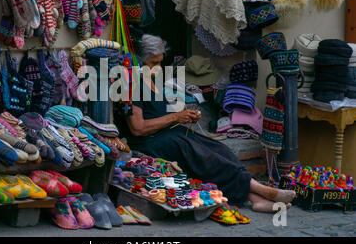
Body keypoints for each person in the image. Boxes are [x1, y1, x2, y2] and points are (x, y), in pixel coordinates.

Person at [124, 34, 296, 212]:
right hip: (151, 142)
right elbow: (138, 128)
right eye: (153, 64)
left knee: (220, 150)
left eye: (160, 63)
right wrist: (175, 117)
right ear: (140, 63)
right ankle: (259, 190)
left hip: (170, 134)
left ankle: (255, 198)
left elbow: (159, 113)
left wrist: (185, 115)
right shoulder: (133, 86)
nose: (158, 68)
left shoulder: (154, 82)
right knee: (205, 159)